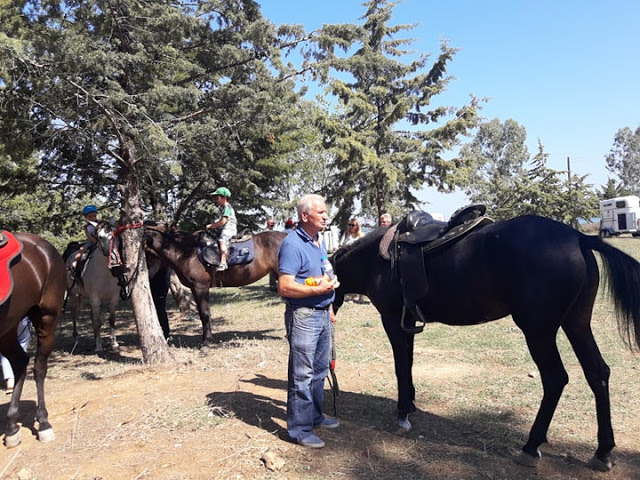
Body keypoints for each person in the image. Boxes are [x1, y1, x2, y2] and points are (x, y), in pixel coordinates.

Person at [278, 194, 340, 448]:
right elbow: (285, 286)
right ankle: (299, 430)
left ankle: (313, 416)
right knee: (301, 374)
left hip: (323, 313)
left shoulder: (317, 240)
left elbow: (323, 271)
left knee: (319, 371)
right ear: (305, 215)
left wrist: (330, 306)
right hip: (304, 316)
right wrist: (316, 292)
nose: (326, 216)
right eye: (321, 212)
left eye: (326, 212)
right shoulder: (293, 244)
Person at [205, 187, 237, 271]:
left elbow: (223, 222)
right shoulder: (223, 208)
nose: (216, 200)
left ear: (224, 198)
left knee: (222, 240)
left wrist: (211, 226)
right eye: (215, 198)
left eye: (217, 198)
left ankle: (223, 263)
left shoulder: (227, 208)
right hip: (226, 228)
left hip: (229, 228)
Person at [1, 316, 31, 394]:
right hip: (22, 320)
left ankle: (10, 381)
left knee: (5, 349)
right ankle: (18, 377)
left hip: (4, 321)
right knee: (22, 345)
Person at [339, 218, 365, 303]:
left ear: (357, 226)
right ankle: (351, 297)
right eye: (349, 224)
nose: (350, 227)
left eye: (352, 225)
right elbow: (341, 244)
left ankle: (361, 297)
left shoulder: (361, 236)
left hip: (359, 260)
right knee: (350, 278)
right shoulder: (346, 234)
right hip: (348, 259)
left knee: (361, 278)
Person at [266, 218, 278, 291]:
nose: (272, 224)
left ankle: (273, 284)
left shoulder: (275, 233)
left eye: (273, 223)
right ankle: (272, 285)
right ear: (267, 224)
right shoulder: (264, 232)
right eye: (270, 223)